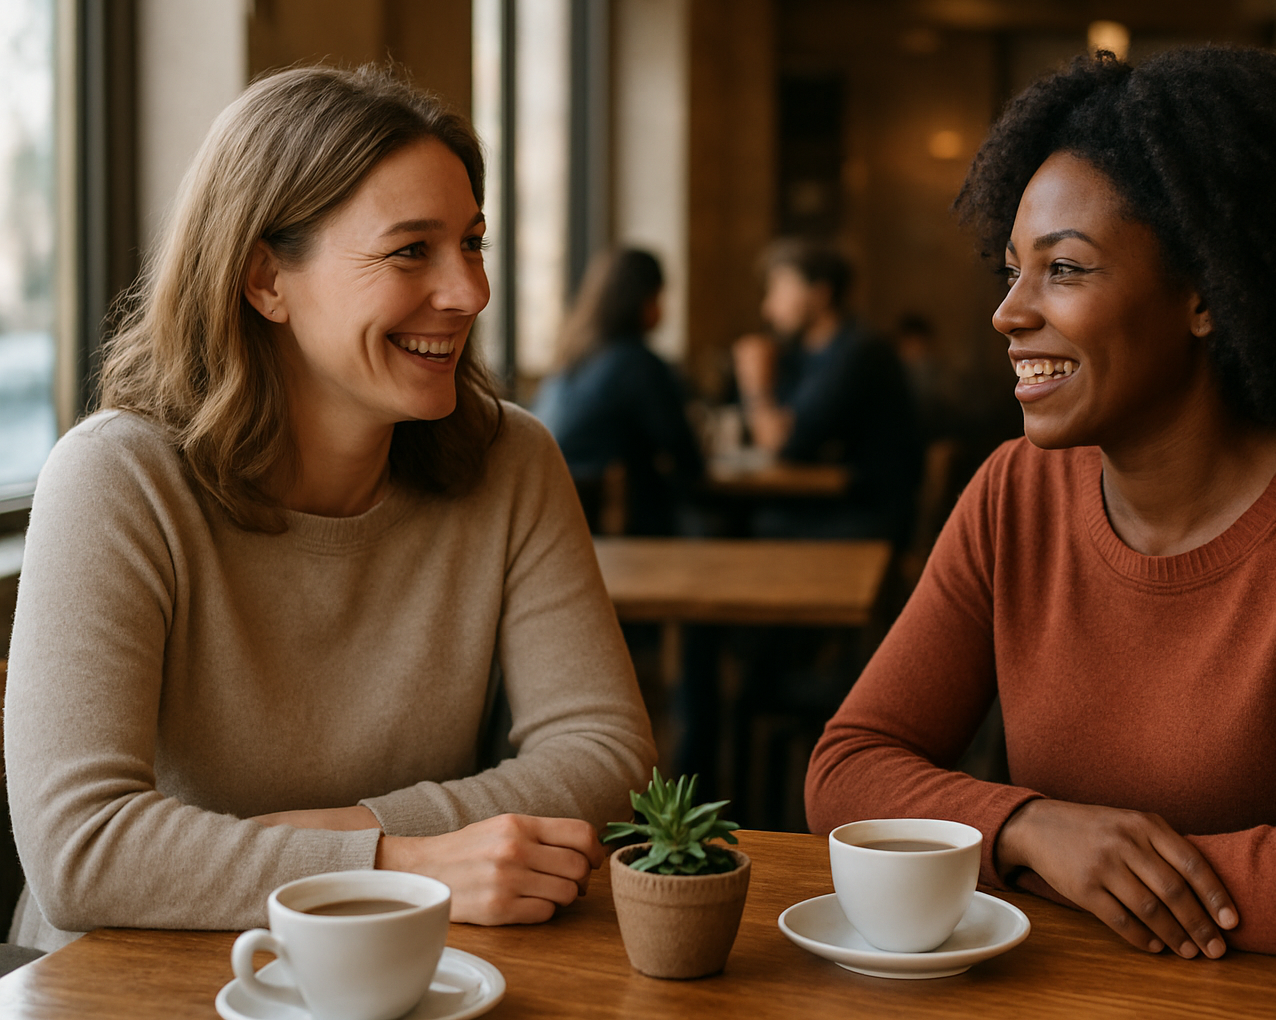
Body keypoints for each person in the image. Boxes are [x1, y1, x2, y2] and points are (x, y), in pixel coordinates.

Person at [804, 48, 1276, 1019]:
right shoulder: (1016, 491)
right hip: (1104, 996)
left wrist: (1081, 865)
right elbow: (847, 769)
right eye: (1012, 271)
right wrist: (1034, 829)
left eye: (1066, 269)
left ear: (1209, 294)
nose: (1008, 313)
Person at [4, 65, 656, 953]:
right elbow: (81, 855)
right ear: (265, 278)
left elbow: (609, 756)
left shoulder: (512, 459)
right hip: (128, 975)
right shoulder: (117, 478)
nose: (469, 292)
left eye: (473, 242)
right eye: (410, 250)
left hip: (394, 967)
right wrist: (396, 861)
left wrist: (337, 837)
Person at [732, 239, 922, 544]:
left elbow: (784, 445)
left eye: (779, 289)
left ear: (820, 294)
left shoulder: (857, 352)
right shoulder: (807, 353)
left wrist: (755, 384)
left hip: (868, 515)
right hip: (841, 505)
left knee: (754, 525)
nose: (767, 308)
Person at [533, 248, 703, 536]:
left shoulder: (572, 357)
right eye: (659, 298)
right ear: (643, 301)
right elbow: (686, 455)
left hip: (553, 518)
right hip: (618, 529)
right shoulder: (639, 363)